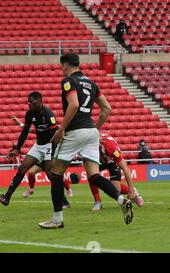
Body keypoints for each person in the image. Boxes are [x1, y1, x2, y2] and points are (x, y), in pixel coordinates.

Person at [39, 53, 135, 229]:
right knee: (94, 175)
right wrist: (95, 129)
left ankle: (57, 219)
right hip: (91, 132)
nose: (61, 70)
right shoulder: (91, 83)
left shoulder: (69, 81)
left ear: (66, 65)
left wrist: (61, 128)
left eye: (61, 66)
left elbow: (74, 104)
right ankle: (121, 200)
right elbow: (107, 109)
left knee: (55, 173)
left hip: (75, 131)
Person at [0, 91, 71, 207]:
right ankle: (6, 197)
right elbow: (24, 132)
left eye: (32, 102)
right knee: (22, 168)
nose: (29, 104)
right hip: (38, 146)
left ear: (39, 101)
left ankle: (63, 201)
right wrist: (17, 149)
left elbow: (55, 133)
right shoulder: (29, 114)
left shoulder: (48, 114)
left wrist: (52, 151)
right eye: (28, 102)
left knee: (50, 173)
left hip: (50, 145)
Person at [90, 133, 144, 211]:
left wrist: (131, 189)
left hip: (112, 162)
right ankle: (97, 202)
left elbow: (125, 168)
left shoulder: (110, 146)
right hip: (99, 161)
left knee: (115, 189)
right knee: (91, 175)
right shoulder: (87, 144)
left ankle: (133, 191)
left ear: (100, 141)